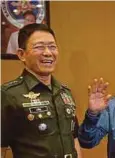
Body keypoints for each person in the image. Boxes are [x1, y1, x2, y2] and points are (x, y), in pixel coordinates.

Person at [1, 23, 82, 158]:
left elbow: (73, 139)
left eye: (52, 47)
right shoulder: (8, 94)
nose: (48, 53)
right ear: (22, 54)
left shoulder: (64, 92)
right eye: (39, 47)